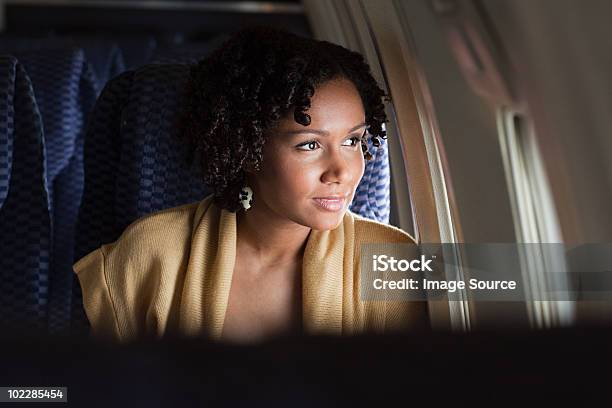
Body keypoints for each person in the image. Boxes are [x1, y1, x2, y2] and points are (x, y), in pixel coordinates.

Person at [73, 26, 429, 344]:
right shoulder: (148, 254)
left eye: (352, 141)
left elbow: (480, 283)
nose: (342, 171)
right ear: (247, 149)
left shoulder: (394, 257)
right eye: (310, 144)